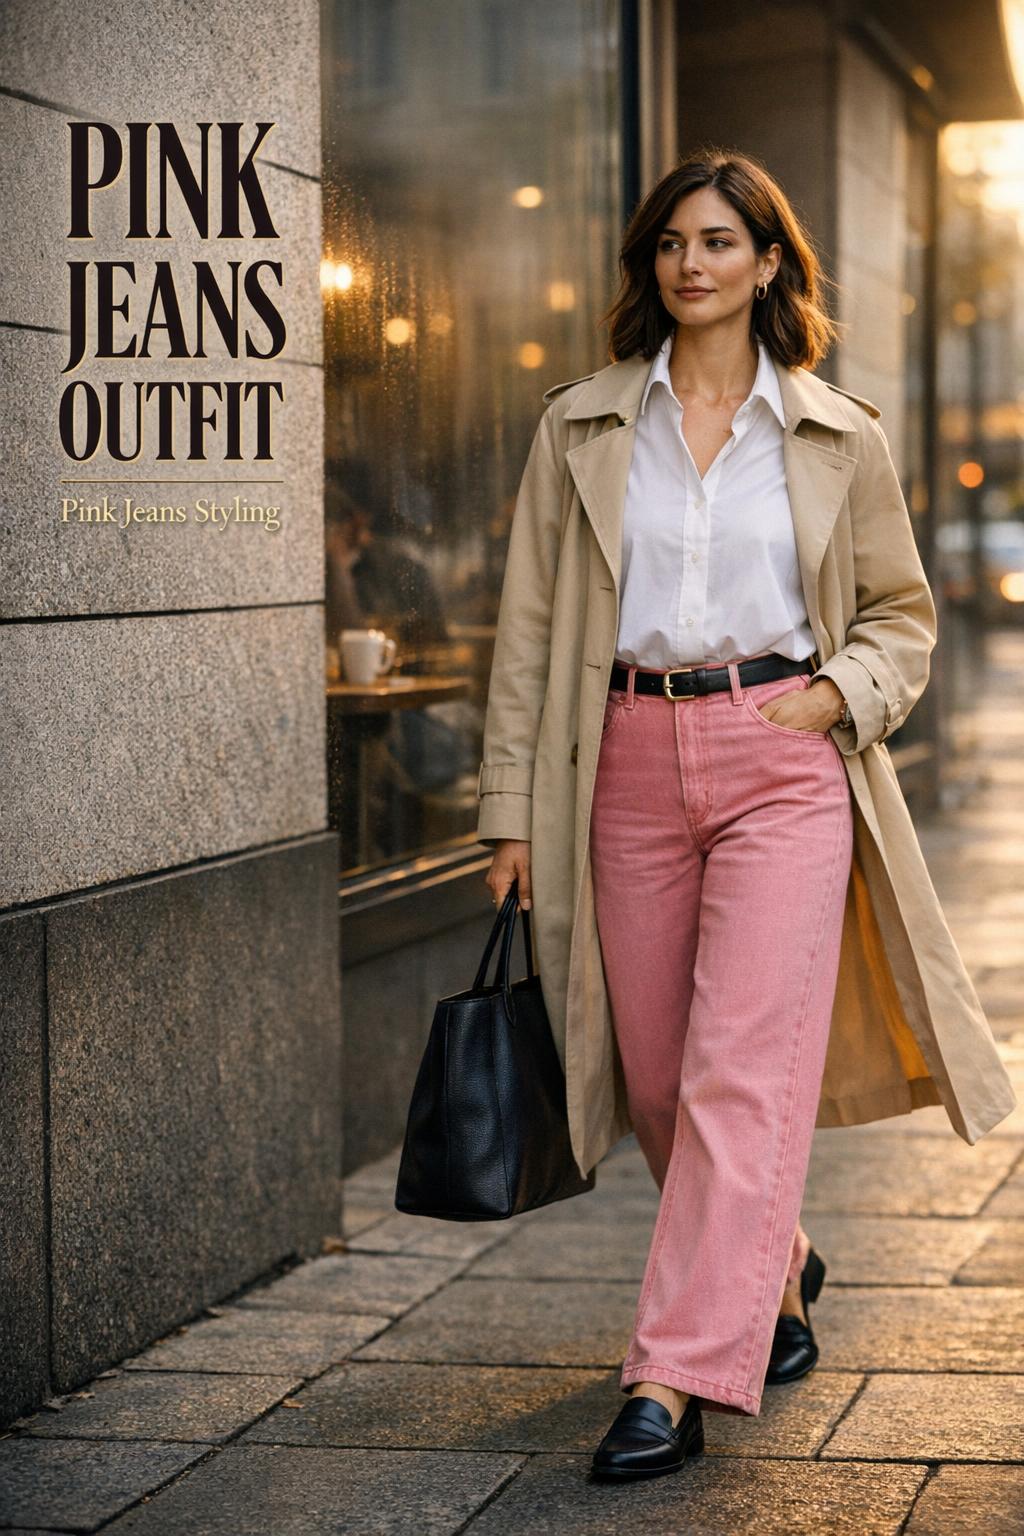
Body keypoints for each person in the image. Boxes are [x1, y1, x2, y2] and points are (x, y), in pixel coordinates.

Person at [476, 148, 1014, 1481]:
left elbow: (902, 615)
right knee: (651, 1070)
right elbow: (530, 628)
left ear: (769, 264)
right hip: (624, 760)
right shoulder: (585, 425)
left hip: (781, 757)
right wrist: (507, 814)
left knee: (734, 1073)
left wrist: (836, 700)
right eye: (670, 244)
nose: (690, 265)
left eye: (718, 242)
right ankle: (775, 1260)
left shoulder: (836, 435)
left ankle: (673, 1375)